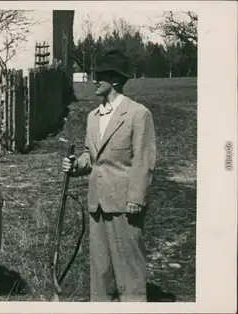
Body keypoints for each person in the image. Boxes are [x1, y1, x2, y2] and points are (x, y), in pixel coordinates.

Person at [62, 49, 157, 302]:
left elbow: (143, 160)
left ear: (115, 80)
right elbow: (90, 156)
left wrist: (135, 198)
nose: (94, 80)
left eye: (100, 75)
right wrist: (76, 165)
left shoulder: (138, 114)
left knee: (129, 270)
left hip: (125, 204)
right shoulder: (94, 116)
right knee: (100, 271)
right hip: (97, 203)